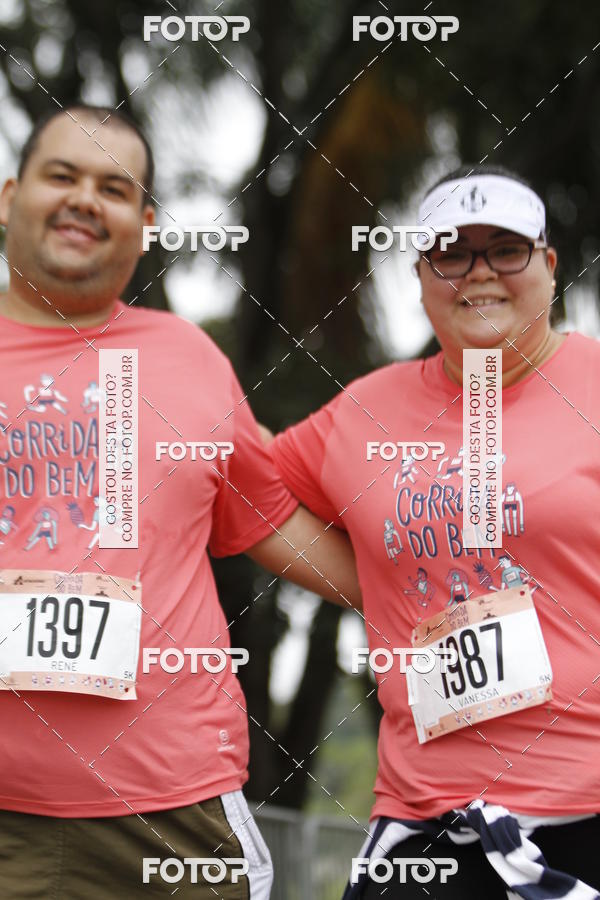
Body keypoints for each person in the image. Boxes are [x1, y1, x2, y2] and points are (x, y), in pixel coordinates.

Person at [0, 104, 362, 899]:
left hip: (171, 817)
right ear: (8, 194)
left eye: (114, 188)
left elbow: (278, 530)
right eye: (61, 175)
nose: (84, 199)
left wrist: (444, 592)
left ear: (146, 222)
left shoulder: (191, 360)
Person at [269, 164, 600, 897]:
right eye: (453, 253)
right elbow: (242, 494)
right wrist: (368, 586)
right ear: (421, 277)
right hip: (428, 822)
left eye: (505, 248)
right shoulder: (365, 411)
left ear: (547, 265)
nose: (479, 272)